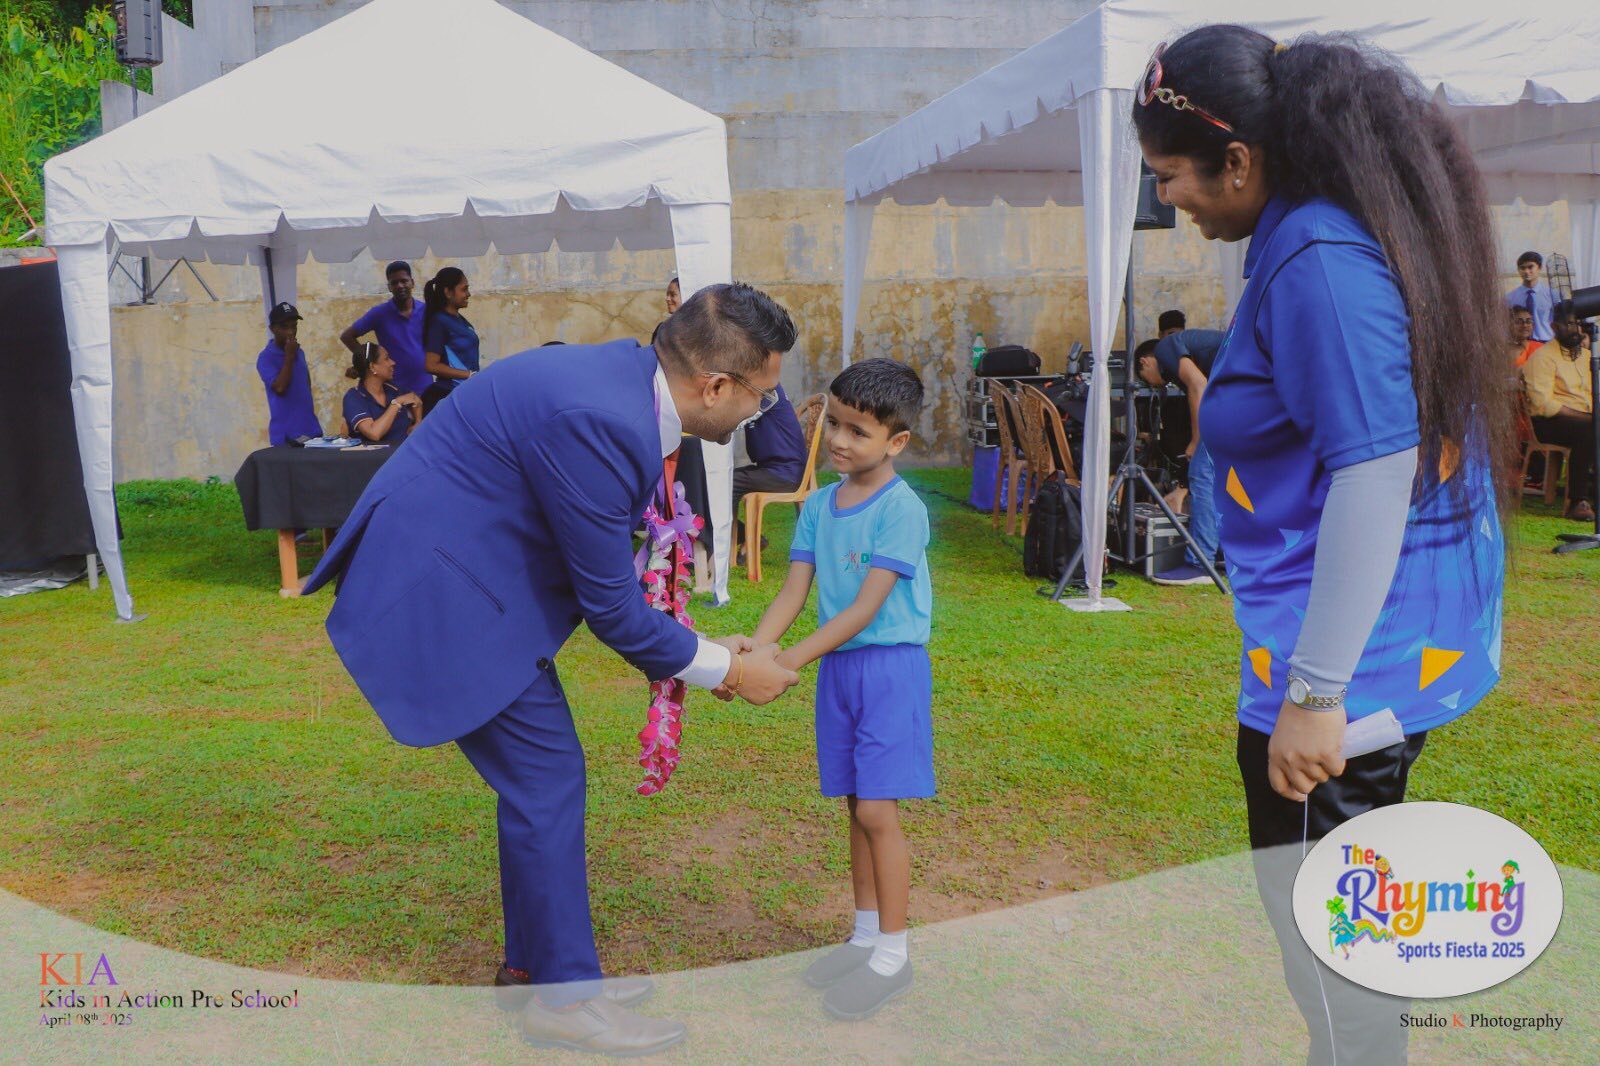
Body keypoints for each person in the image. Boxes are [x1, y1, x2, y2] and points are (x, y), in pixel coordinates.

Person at [1135, 25, 1510, 1065]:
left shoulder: (1319, 258)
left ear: (1237, 160)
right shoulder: (1307, 234)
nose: (1168, 197)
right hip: (1351, 649)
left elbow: (1375, 470)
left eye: (1169, 175)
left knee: (1335, 952)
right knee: (1339, 944)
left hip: (1346, 672)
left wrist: (1314, 694)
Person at [301, 282, 801, 1056]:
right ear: (714, 386)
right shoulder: (604, 420)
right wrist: (729, 674)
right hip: (442, 593)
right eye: (760, 396)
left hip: (468, 572)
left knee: (543, 780)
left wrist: (703, 644)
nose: (758, 413)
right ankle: (564, 999)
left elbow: (599, 557)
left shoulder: (623, 384)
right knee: (547, 779)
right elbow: (611, 610)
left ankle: (537, 970)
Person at [752, 358, 933, 1021]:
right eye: (834, 423)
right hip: (840, 673)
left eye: (859, 431)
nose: (838, 440)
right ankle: (864, 937)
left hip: (888, 670)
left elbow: (862, 609)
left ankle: (893, 956)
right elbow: (793, 592)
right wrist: (755, 651)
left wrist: (787, 663)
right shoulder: (820, 505)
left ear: (896, 441)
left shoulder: (903, 509)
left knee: (879, 812)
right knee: (856, 806)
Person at [1136, 328, 1226, 585]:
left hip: (1243, 397)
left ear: (1145, 362)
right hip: (1255, 395)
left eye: (1145, 380)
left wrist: (1197, 440)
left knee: (1202, 472)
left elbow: (1198, 384)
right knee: (1226, 478)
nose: (1154, 385)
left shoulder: (1166, 347)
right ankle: (1224, 553)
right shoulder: (1189, 352)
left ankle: (1200, 562)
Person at [1523, 307, 1596, 521]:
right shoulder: (1542, 357)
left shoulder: (1587, 356)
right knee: (1588, 430)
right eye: (1569, 324)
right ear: (1555, 327)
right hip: (1548, 422)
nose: (1576, 329)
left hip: (1586, 419)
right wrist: (1586, 417)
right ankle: (1577, 501)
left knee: (1591, 428)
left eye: (1578, 324)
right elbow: (1543, 404)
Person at [734, 383, 806, 562]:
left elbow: (733, 419)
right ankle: (743, 538)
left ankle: (734, 541)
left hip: (784, 473)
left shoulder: (766, 388)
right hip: (773, 469)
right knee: (721, 481)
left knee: (726, 483)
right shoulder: (756, 388)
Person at [339, 260, 432, 397]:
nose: (400, 286)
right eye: (394, 283)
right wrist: (367, 362)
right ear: (389, 287)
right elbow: (347, 336)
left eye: (404, 281)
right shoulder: (379, 314)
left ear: (412, 282)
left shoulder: (427, 311)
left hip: (427, 387)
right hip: (394, 390)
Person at [256, 301, 322, 445]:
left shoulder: (299, 352)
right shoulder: (266, 358)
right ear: (272, 329)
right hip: (286, 437)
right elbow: (280, 388)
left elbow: (306, 385)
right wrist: (289, 356)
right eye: (284, 327)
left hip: (312, 431)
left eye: (294, 326)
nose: (291, 332)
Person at [421, 266, 480, 414]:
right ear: (448, 292)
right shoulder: (439, 322)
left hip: (467, 391)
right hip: (450, 393)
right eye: (464, 289)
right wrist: (468, 375)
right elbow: (431, 365)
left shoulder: (460, 320)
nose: (468, 294)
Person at [341, 342, 422, 445]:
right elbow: (374, 433)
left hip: (403, 452)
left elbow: (415, 400)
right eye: (386, 359)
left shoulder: (394, 389)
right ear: (372, 367)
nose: (393, 362)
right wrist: (396, 403)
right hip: (372, 455)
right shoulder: (354, 397)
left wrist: (418, 422)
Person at [1505, 251, 1555, 342]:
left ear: (1539, 268)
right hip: (1521, 344)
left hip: (1546, 342)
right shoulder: (1510, 298)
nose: (1526, 271)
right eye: (1522, 268)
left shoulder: (1552, 295)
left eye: (1530, 267)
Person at [1509, 305, 1539, 369]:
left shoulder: (1540, 348)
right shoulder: (1501, 350)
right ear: (1508, 325)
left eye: (1528, 322)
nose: (1525, 325)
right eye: (1518, 322)